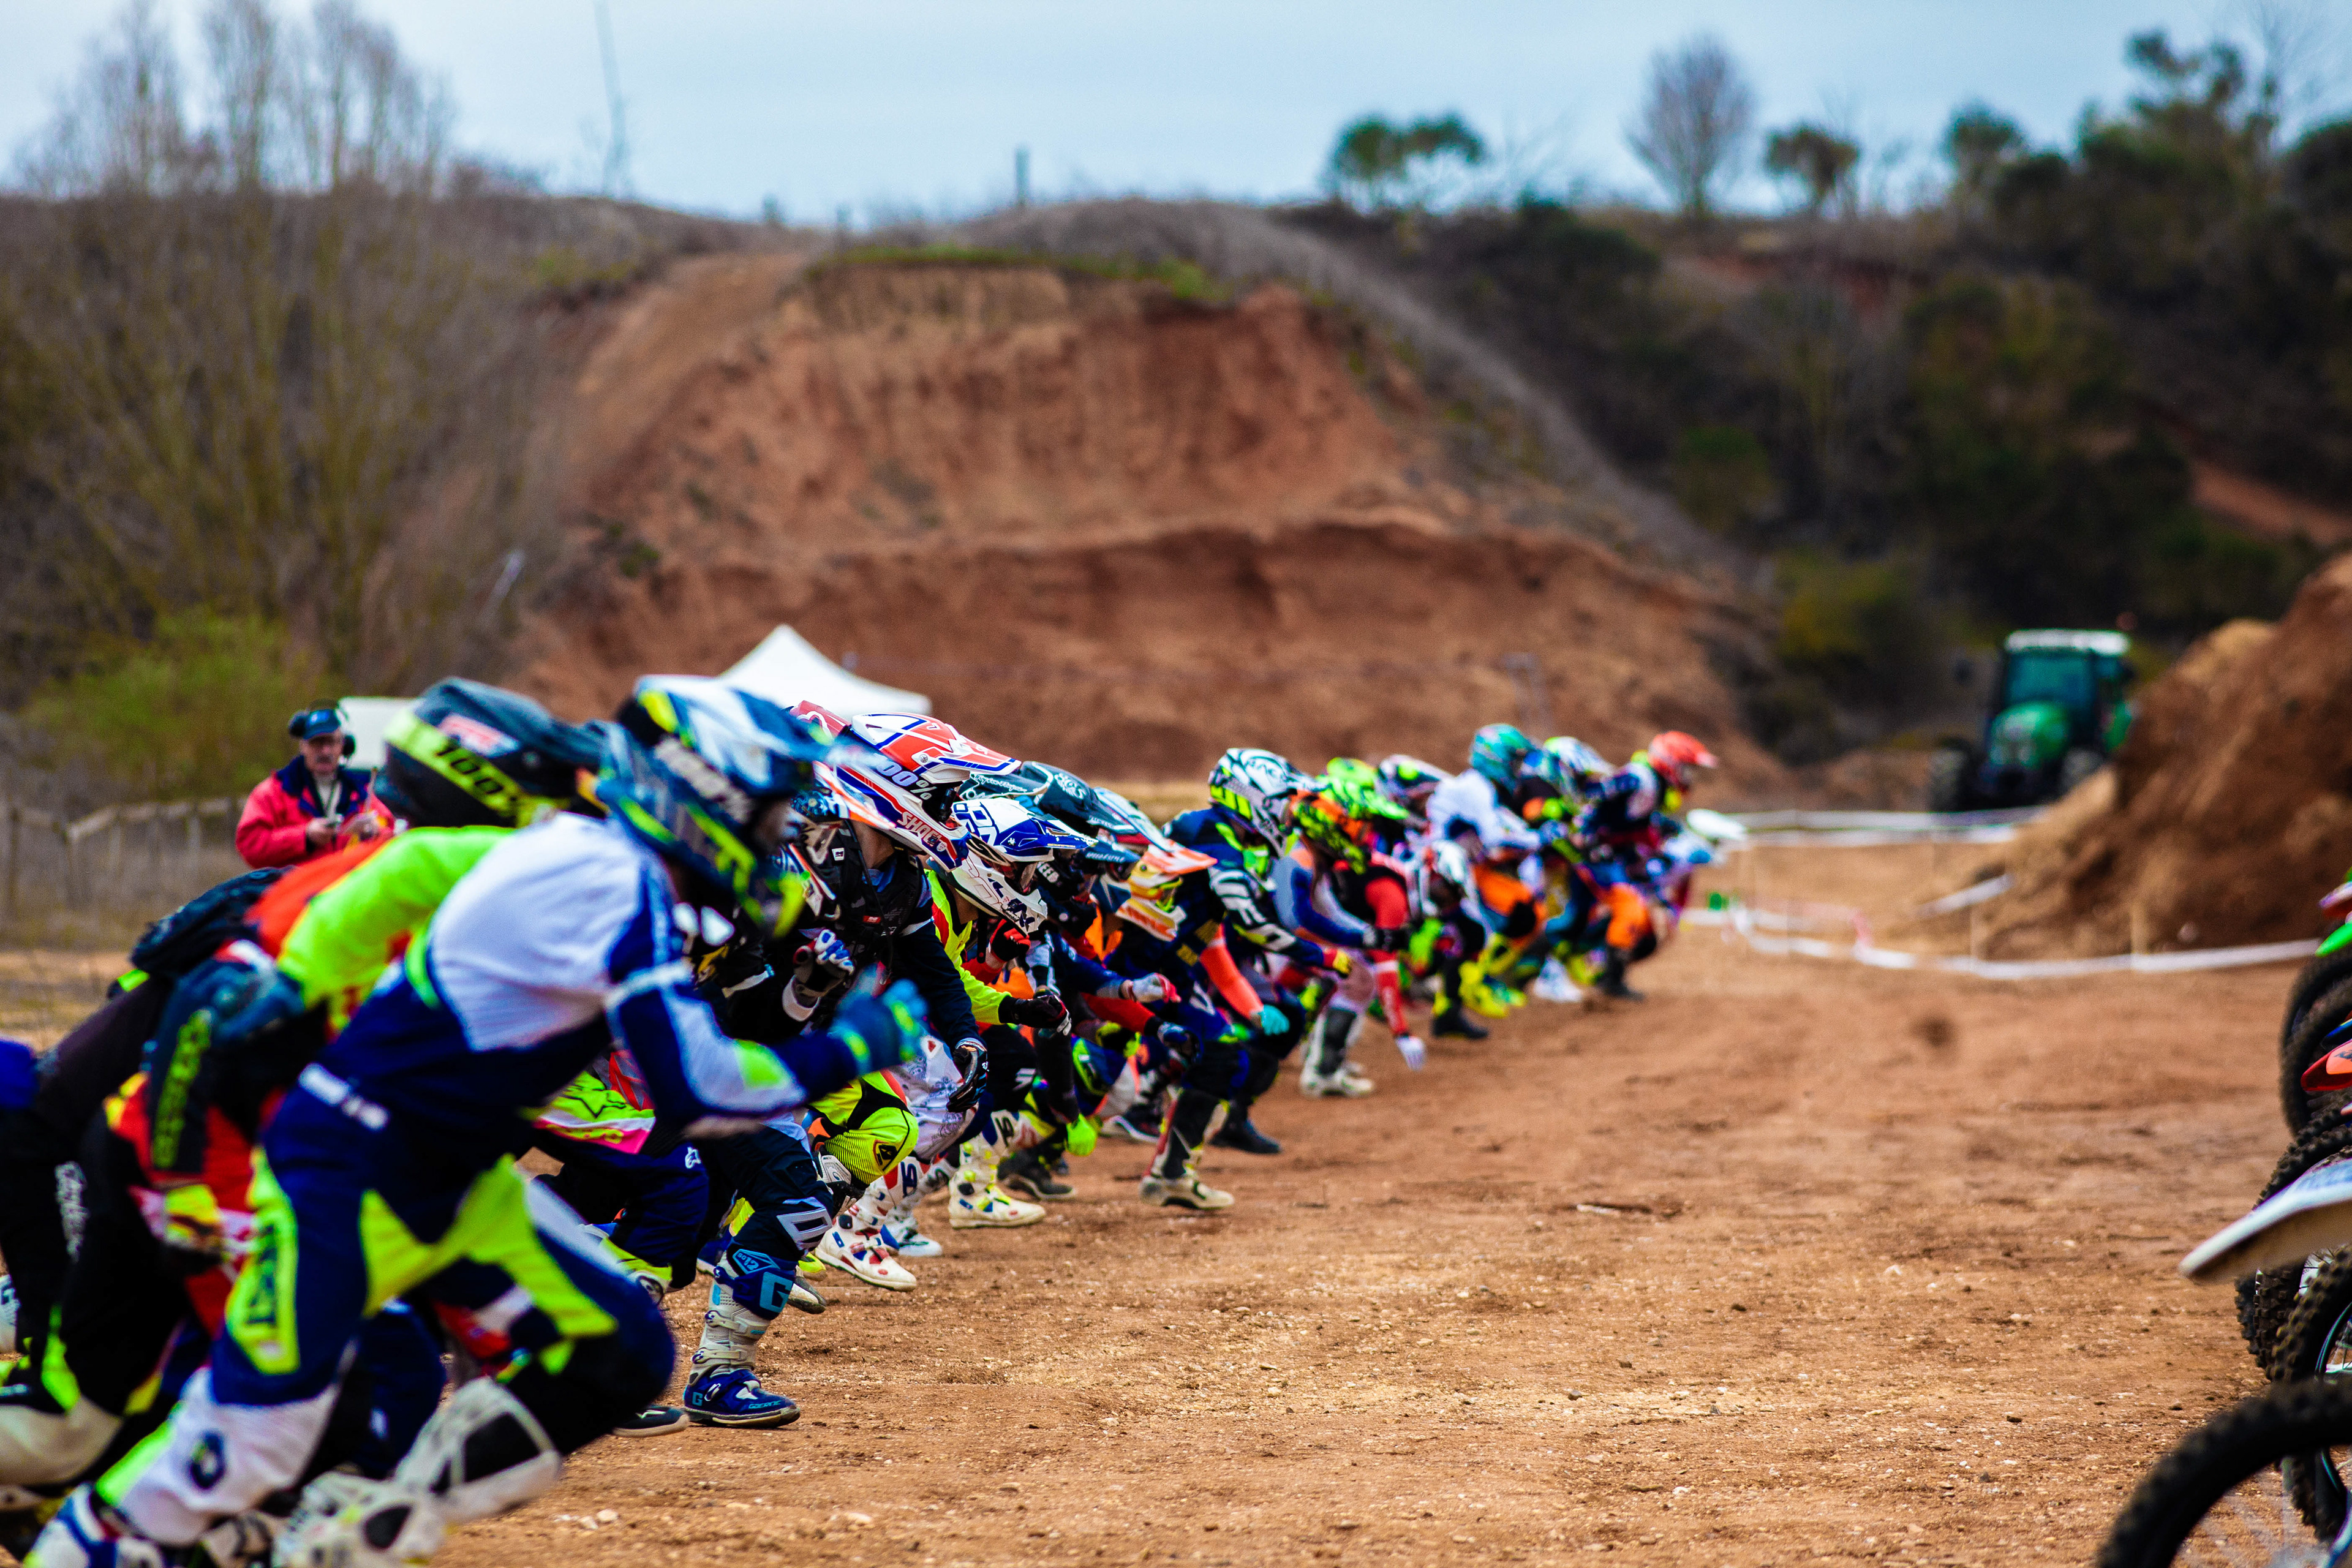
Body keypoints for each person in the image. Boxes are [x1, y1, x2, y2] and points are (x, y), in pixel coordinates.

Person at [234, 706, 380, 869]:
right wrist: (304, 837)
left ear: (343, 746)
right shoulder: (272, 792)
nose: (325, 751)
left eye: (331, 742)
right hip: (294, 892)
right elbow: (249, 845)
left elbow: (391, 830)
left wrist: (376, 833)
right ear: (303, 746)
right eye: (317, 742)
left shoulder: (362, 792)